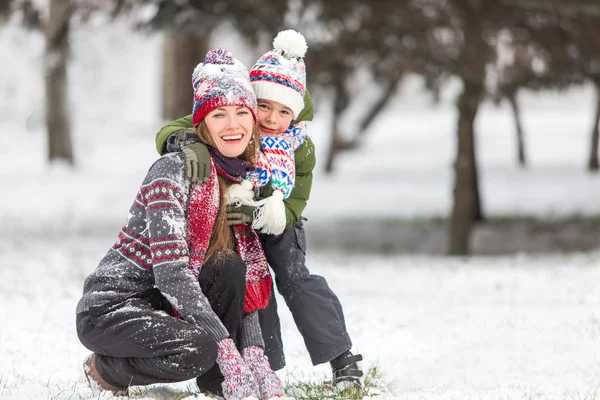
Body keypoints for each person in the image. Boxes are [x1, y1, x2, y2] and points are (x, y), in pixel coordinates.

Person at [155, 30, 363, 388]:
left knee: (296, 279)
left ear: (294, 114)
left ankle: (341, 357)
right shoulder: (235, 119)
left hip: (279, 219)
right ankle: (265, 364)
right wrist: (188, 143)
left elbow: (298, 195)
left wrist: (280, 214)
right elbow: (174, 129)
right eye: (263, 106)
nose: (269, 118)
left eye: (282, 111)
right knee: (252, 283)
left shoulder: (300, 146)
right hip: (235, 218)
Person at [76, 48, 286, 400]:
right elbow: (172, 273)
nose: (232, 125)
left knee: (230, 267)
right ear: (201, 123)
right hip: (114, 306)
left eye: (241, 113)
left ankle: (216, 383)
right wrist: (226, 350)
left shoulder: (242, 182)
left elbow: (246, 279)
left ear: (253, 121)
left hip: (163, 301)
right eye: (219, 114)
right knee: (198, 350)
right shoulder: (172, 171)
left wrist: (254, 357)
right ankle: (105, 369)